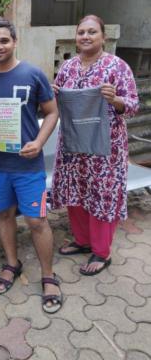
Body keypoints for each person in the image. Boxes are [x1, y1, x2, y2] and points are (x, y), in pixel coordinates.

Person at [0, 17, 62, 313]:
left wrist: (40, 142)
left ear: (14, 41)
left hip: (28, 166)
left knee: (37, 221)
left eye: (3, 40)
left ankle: (49, 275)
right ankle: (12, 264)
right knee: (4, 215)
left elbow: (52, 112)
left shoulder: (32, 74)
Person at [52, 15, 139, 275]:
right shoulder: (67, 68)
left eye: (92, 32)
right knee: (76, 191)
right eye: (81, 32)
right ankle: (82, 241)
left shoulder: (117, 66)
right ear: (75, 37)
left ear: (103, 37)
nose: (86, 37)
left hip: (106, 148)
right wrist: (54, 93)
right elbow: (60, 105)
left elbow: (133, 105)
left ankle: (101, 253)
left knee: (103, 195)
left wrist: (115, 100)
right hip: (74, 143)